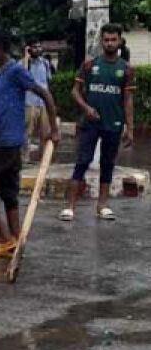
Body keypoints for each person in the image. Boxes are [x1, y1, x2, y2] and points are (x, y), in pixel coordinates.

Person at [0, 32, 59, 260]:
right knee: (9, 193)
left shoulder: (16, 71)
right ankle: (17, 239)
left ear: (0, 47)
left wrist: (54, 128)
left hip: (6, 143)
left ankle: (5, 239)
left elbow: (45, 94)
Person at [60, 24, 135, 221]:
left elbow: (127, 99)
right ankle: (70, 207)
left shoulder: (126, 69)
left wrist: (130, 128)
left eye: (113, 40)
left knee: (107, 164)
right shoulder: (89, 65)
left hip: (114, 124)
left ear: (119, 41)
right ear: (101, 41)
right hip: (90, 123)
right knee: (82, 162)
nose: (110, 43)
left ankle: (102, 206)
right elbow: (74, 91)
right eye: (106, 40)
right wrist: (86, 108)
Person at [24, 39, 53, 161]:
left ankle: (43, 159)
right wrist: (26, 57)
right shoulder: (26, 63)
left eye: (39, 47)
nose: (37, 49)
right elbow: (23, 74)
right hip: (30, 103)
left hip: (43, 103)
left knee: (45, 133)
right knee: (27, 132)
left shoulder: (45, 63)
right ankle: (24, 158)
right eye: (34, 47)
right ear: (29, 49)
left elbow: (48, 81)